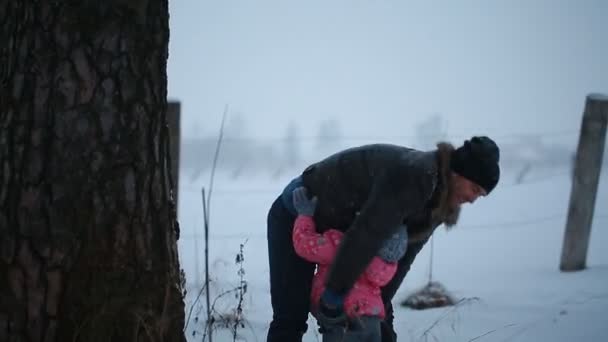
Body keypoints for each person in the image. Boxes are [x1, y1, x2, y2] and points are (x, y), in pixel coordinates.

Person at [266, 136, 500, 342]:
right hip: (297, 212)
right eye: (475, 188)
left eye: (480, 195)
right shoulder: (415, 175)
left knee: (378, 320)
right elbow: (366, 234)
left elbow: (403, 258)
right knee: (291, 316)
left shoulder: (442, 202)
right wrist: (334, 297)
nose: (473, 199)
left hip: (342, 234)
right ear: (458, 172)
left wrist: (377, 304)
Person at [291, 186, 408, 341]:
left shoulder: (341, 245)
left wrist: (305, 215)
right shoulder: (383, 266)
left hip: (341, 320)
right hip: (373, 321)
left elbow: (304, 245)